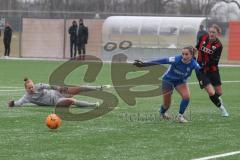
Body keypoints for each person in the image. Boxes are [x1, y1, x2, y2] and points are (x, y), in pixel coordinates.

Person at [133, 46, 203, 123]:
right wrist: (145, 64)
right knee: (167, 105)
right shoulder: (176, 59)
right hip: (168, 80)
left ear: (192, 55)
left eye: (186, 54)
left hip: (180, 81)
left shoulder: (194, 64)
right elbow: (161, 61)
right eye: (183, 54)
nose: (184, 56)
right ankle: (162, 112)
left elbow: (202, 72)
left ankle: (180, 117)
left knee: (186, 97)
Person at [8, 78, 111, 108]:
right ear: (26, 89)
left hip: (58, 93)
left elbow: (50, 86)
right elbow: (19, 103)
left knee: (79, 88)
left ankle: (100, 87)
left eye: (32, 86)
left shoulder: (39, 85)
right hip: (56, 101)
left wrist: (59, 88)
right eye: (29, 88)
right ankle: (93, 105)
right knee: (72, 101)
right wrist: (12, 103)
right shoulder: (27, 97)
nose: (32, 88)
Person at [195, 24, 229, 117]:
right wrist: (192, 57)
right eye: (210, 32)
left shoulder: (219, 46)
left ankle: (216, 99)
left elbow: (214, 61)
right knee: (211, 92)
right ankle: (222, 109)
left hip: (212, 70)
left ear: (218, 33)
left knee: (219, 93)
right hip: (200, 70)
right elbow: (196, 47)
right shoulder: (203, 38)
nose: (211, 34)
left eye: (213, 32)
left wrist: (204, 64)